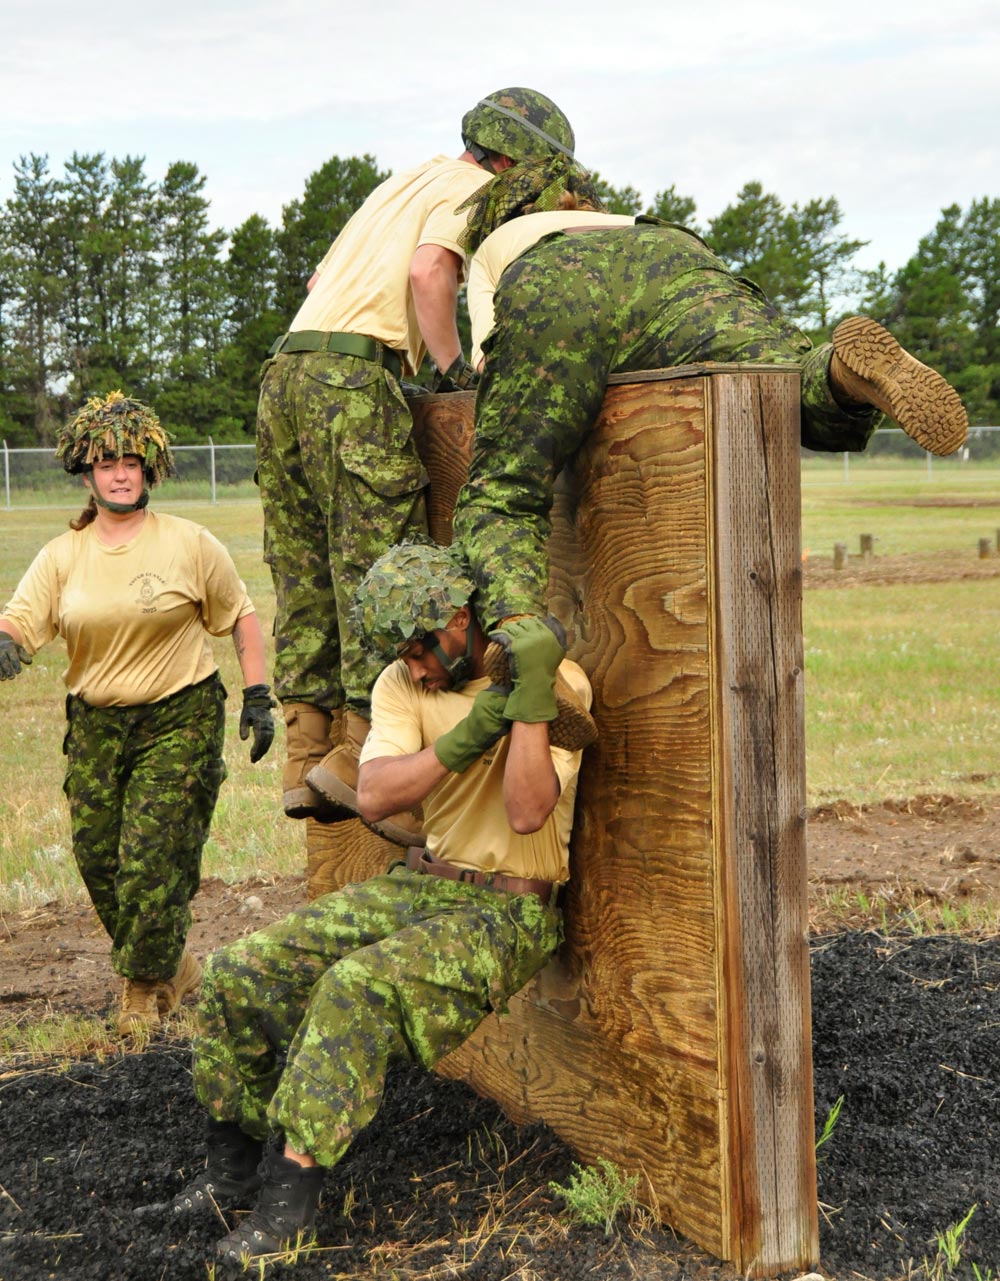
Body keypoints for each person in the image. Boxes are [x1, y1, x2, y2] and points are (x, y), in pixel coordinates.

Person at [157, 539, 592, 1264]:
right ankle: (231, 1172)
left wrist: (526, 703)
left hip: (507, 912)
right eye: (402, 650)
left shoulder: (555, 679)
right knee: (240, 967)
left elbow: (526, 811)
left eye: (420, 646)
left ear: (458, 619)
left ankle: (288, 1204)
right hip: (422, 882)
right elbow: (376, 792)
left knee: (353, 988)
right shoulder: (403, 683)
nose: (412, 663)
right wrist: (478, 726)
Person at [450, 157, 971, 660]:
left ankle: (523, 643)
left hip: (558, 286)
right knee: (782, 382)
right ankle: (842, 373)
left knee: (504, 490)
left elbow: (483, 363)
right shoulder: (631, 224)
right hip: (677, 260)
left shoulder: (503, 245)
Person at [256, 88, 577, 854]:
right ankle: (369, 760)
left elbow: (316, 287)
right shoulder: (471, 189)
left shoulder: (406, 180)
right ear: (515, 162)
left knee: (304, 579)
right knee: (382, 576)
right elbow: (431, 273)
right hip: (351, 380)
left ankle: (306, 757)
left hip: (286, 375)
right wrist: (453, 369)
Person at [0, 391, 275, 1037]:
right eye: (105, 462)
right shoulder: (61, 555)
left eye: (130, 460)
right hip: (95, 722)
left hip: (179, 716)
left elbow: (240, 615)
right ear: (85, 472)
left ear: (150, 467)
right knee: (99, 860)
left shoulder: (190, 543)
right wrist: (6, 643)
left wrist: (258, 696)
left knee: (152, 857)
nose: (120, 473)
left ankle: (138, 995)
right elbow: (19, 618)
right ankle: (175, 966)